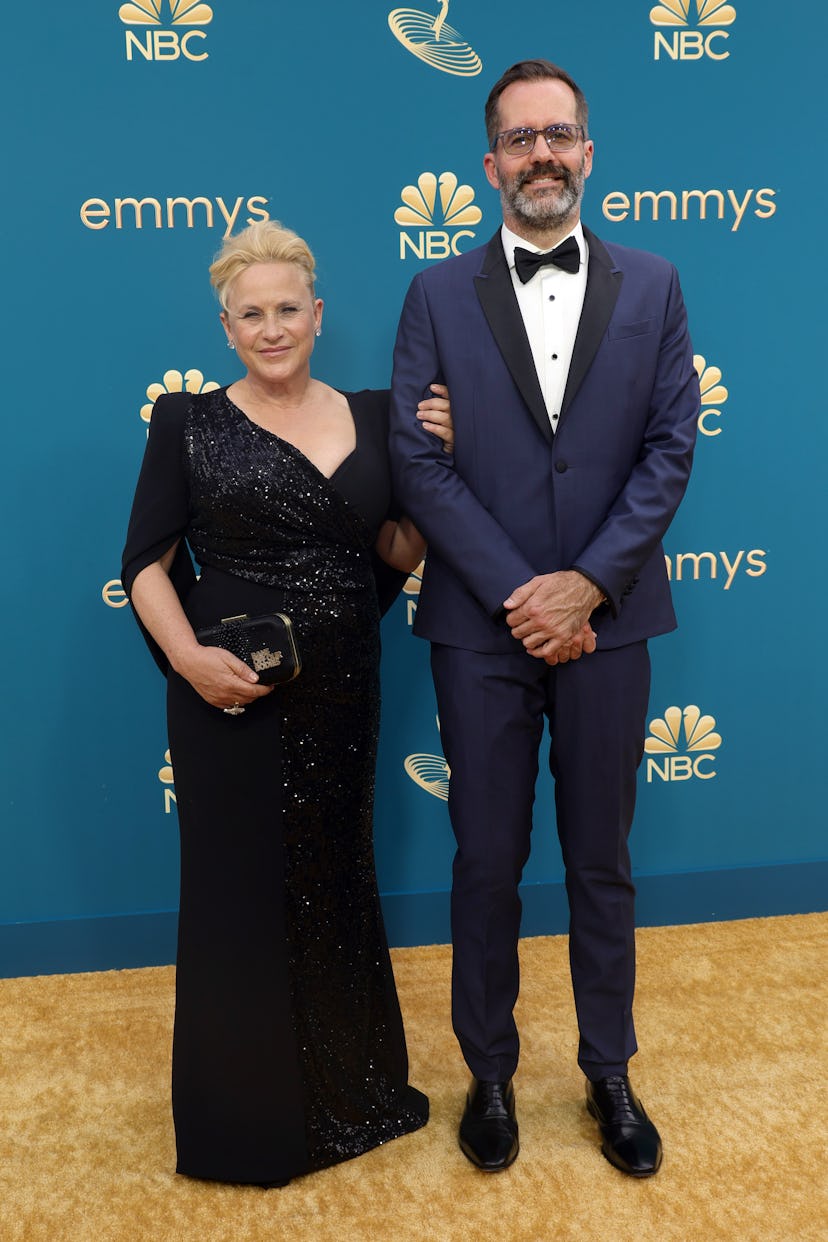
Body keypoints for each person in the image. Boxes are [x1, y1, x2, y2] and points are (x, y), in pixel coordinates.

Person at [389, 59, 700, 1178]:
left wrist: (589, 586)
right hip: (482, 627)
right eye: (519, 140)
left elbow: (672, 450)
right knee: (486, 857)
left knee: (602, 860)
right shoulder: (432, 296)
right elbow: (418, 465)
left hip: (610, 623)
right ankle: (490, 1072)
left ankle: (608, 1069)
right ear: (489, 166)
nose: (541, 156)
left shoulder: (657, 285)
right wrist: (528, 594)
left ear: (588, 152)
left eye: (558, 134)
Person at [121, 220, 454, 1186]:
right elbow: (145, 562)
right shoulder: (185, 422)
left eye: (287, 309)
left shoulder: (382, 412)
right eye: (250, 314)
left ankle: (349, 1092)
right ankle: (243, 1125)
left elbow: (392, 554)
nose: (272, 328)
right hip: (227, 695)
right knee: (237, 901)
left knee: (332, 882)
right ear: (226, 327)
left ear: (319, 315)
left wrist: (439, 472)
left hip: (345, 689)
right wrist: (186, 659)